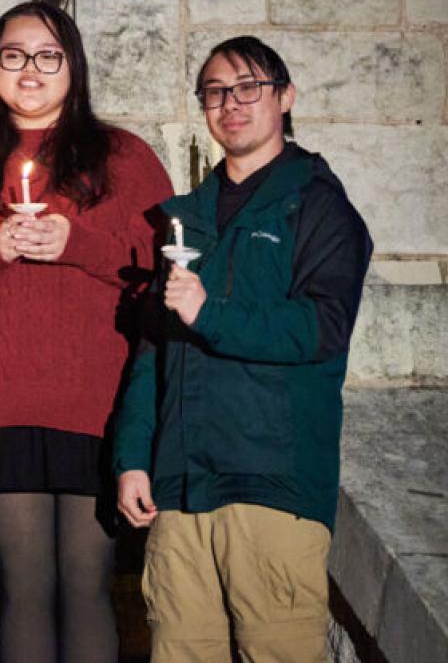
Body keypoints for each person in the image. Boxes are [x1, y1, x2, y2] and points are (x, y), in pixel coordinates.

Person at [0, 0, 173, 663]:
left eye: (48, 56)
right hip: (1, 399)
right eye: (13, 55)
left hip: (95, 401)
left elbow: (163, 265)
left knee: (86, 584)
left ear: (73, 67)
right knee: (23, 586)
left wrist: (76, 243)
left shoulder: (125, 157)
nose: (30, 69)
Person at [114, 35, 373, 663]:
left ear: (285, 97)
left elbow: (321, 328)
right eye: (215, 92)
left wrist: (211, 313)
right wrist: (133, 458)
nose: (231, 103)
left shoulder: (318, 208)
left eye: (248, 87)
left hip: (271, 486)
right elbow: (152, 355)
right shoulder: (184, 220)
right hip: (180, 490)